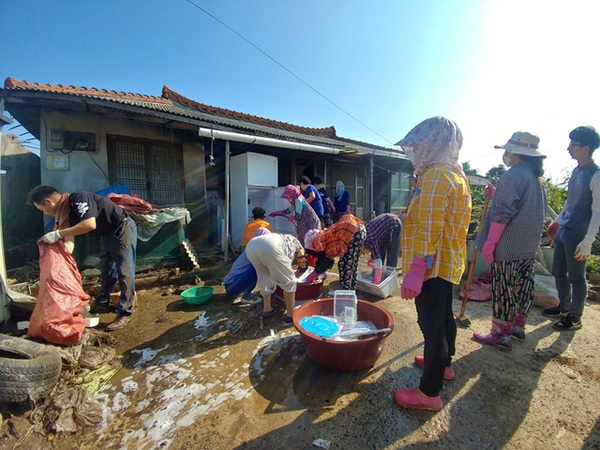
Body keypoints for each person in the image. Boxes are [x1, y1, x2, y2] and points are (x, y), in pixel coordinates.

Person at [393, 116, 471, 411]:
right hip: (447, 261)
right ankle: (444, 364)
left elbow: (430, 226)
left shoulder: (436, 175)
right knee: (444, 317)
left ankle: (429, 393)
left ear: (433, 144)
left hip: (431, 264)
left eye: (419, 145)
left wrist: (416, 269)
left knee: (431, 328)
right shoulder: (455, 174)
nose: (415, 152)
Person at [472, 132, 547, 349]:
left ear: (515, 153)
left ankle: (500, 335)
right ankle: (517, 327)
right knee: (522, 288)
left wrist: (490, 242)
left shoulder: (514, 175)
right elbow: (520, 204)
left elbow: (504, 212)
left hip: (509, 247)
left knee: (504, 289)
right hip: (527, 246)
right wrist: (497, 193)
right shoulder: (535, 177)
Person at [28, 185, 138, 331]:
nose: (45, 213)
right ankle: (102, 303)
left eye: (42, 209)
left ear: (48, 202)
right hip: (107, 234)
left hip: (121, 228)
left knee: (124, 271)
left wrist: (57, 234)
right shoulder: (65, 213)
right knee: (107, 270)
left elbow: (89, 224)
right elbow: (69, 240)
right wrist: (62, 262)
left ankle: (125, 312)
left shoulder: (78, 198)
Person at [544, 125, 600, 330]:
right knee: (558, 271)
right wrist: (557, 220)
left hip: (578, 233)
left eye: (573, 144)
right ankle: (564, 306)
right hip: (565, 229)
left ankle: (575, 316)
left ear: (585, 148)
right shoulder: (577, 171)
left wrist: (588, 240)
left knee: (577, 276)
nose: (569, 148)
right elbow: (570, 202)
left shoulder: (596, 175)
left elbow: (597, 211)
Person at [245, 232, 306, 326]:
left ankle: (267, 309)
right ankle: (290, 316)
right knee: (289, 282)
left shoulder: (285, 238)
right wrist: (298, 270)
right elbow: (300, 260)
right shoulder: (298, 245)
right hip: (270, 245)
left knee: (264, 276)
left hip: (251, 246)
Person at [303, 214, 366, 290]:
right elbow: (328, 260)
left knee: (344, 265)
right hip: (360, 229)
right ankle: (351, 291)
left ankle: (345, 293)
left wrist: (310, 278)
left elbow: (325, 263)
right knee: (353, 263)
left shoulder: (318, 242)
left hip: (351, 232)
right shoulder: (325, 234)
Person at [224, 227, 272, 303]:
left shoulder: (253, 247)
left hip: (233, 284)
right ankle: (246, 297)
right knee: (258, 267)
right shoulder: (254, 250)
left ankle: (246, 291)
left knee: (260, 267)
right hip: (232, 286)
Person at [363, 213, 402, 284]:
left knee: (392, 253)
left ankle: (388, 278)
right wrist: (373, 258)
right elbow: (376, 249)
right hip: (383, 230)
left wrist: (376, 281)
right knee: (381, 252)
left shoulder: (370, 239)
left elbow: (378, 261)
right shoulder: (363, 235)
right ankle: (376, 274)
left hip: (394, 224)